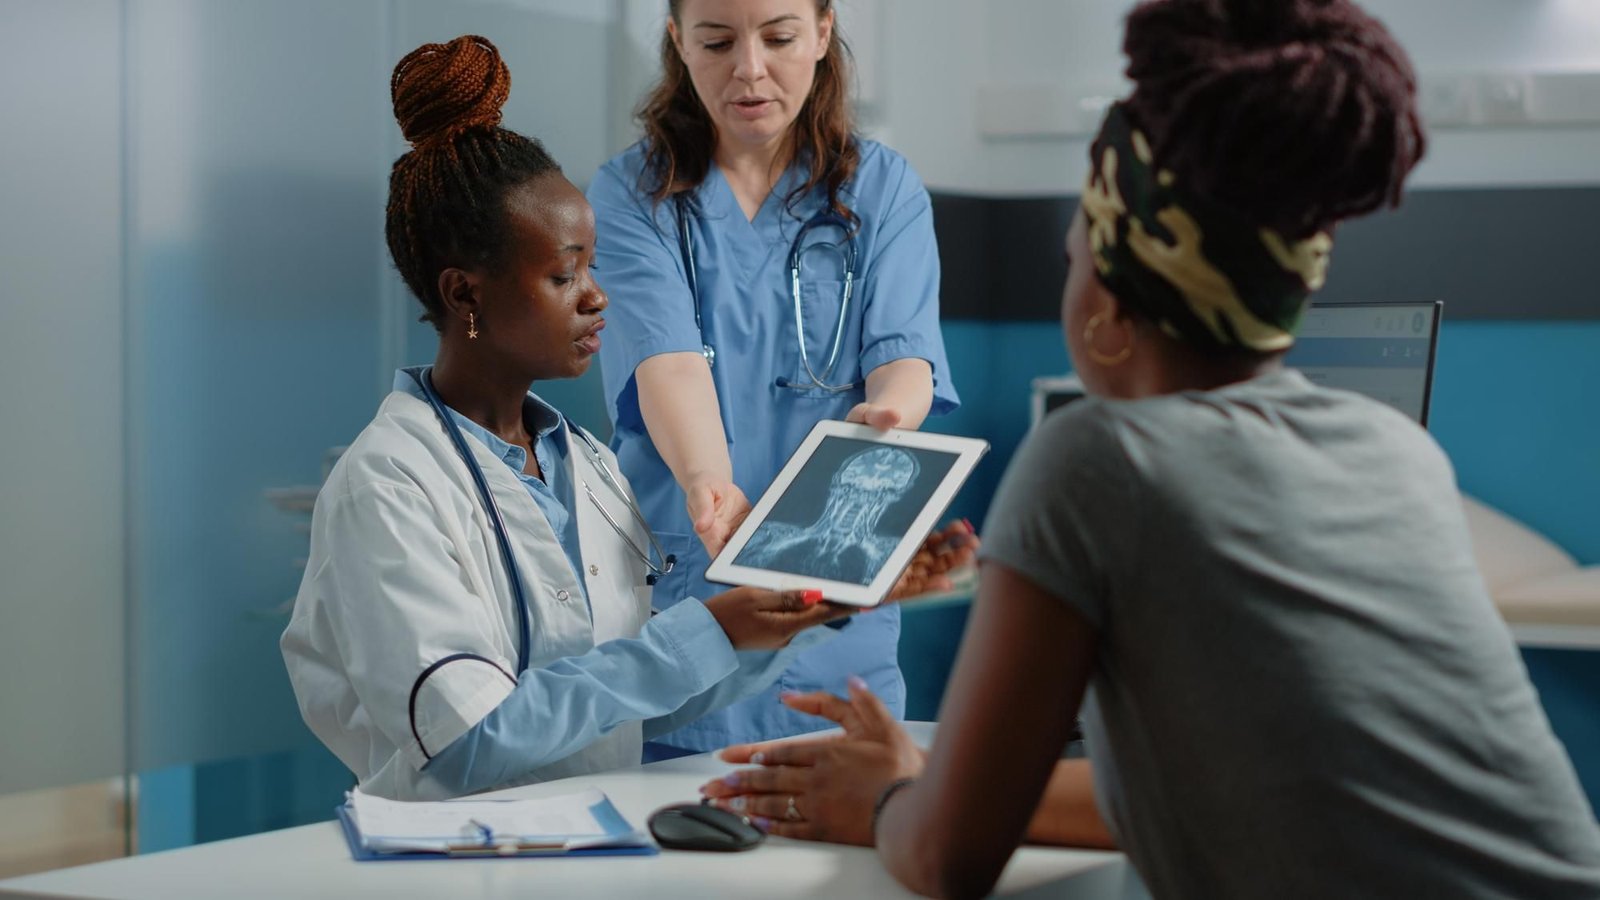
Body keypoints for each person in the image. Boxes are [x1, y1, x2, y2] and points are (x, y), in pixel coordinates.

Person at [700, 1, 1600, 897]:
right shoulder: (1397, 453)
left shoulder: (1097, 459)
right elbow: (1228, 789)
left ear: (1110, 309)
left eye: (1071, 256)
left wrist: (894, 794)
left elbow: (945, 857)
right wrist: (931, 782)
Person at [280, 34, 864, 802]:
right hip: (455, 863)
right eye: (565, 274)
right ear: (464, 295)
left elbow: (633, 703)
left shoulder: (585, 466)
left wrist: (791, 614)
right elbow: (468, 740)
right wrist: (710, 631)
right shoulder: (388, 484)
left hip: (593, 850)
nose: (597, 297)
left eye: (592, 267)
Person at [586, 0, 966, 759]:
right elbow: (666, 359)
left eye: (780, 36)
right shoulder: (631, 194)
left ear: (824, 32)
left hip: (838, 608)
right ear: (678, 42)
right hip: (685, 603)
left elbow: (904, 356)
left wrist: (887, 418)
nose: (749, 69)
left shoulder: (883, 189)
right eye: (718, 41)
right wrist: (707, 481)